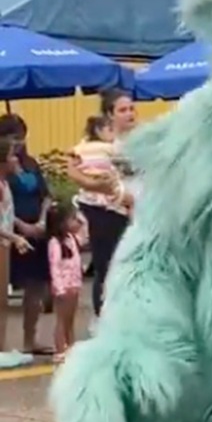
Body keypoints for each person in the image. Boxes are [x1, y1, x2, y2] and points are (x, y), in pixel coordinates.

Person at [66, 89, 136, 319]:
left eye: (131, 108)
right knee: (108, 267)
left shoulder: (141, 139)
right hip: (105, 211)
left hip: (136, 210)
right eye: (123, 110)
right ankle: (104, 322)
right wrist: (100, 187)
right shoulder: (95, 143)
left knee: (133, 269)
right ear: (110, 115)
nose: (130, 114)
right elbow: (74, 170)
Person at [0, 114, 52, 356]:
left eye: (22, 137)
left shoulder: (31, 163)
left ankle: (30, 339)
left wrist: (41, 220)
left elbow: (46, 194)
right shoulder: (4, 168)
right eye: (14, 138)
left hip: (37, 230)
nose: (19, 143)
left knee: (36, 287)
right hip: (12, 232)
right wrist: (21, 227)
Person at [0, 137, 33, 366]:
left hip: (5, 242)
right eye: (12, 155)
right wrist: (14, 236)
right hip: (2, 243)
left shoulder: (4, 183)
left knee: (2, 300)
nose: (15, 160)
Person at [72, 115, 133, 216]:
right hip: (107, 186)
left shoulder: (83, 146)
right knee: (129, 200)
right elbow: (124, 158)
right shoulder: (108, 147)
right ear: (98, 131)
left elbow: (73, 153)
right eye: (110, 130)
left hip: (88, 193)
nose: (114, 134)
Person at [46, 202, 84, 363]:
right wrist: (59, 288)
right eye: (72, 219)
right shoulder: (55, 243)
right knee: (62, 319)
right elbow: (54, 267)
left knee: (70, 319)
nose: (76, 222)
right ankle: (60, 349)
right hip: (63, 287)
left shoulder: (72, 239)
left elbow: (85, 232)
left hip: (74, 285)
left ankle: (71, 346)